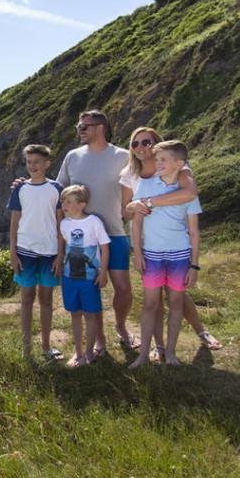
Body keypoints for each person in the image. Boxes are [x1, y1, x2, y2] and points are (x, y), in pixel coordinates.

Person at [120, 127, 222, 358]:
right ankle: (158, 346)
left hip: (175, 246)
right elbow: (125, 211)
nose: (140, 148)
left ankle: (200, 331)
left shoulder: (177, 168)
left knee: (176, 296)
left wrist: (149, 202)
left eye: (146, 142)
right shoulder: (130, 173)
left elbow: (190, 193)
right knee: (152, 301)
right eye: (135, 144)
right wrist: (132, 207)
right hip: (148, 244)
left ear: (156, 144)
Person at [52, 110, 135, 355]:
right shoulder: (72, 156)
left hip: (115, 233)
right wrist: (25, 185)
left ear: (101, 127)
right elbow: (58, 190)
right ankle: (99, 340)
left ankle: (121, 328)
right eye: (79, 126)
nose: (79, 130)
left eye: (84, 126)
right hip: (81, 242)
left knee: (123, 288)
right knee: (92, 290)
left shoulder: (123, 156)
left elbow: (140, 184)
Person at [129, 140, 202, 368]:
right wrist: (137, 253)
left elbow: (194, 231)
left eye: (163, 160)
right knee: (150, 304)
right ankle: (143, 355)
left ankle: (170, 353)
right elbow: (136, 224)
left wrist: (194, 265)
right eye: (157, 159)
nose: (157, 163)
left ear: (179, 164)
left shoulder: (188, 193)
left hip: (180, 256)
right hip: (151, 255)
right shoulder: (146, 186)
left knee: (176, 303)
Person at [7, 144, 64, 362]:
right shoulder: (20, 189)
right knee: (26, 299)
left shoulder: (57, 188)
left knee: (46, 300)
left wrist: (60, 254)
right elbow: (14, 221)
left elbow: (61, 223)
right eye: (29, 162)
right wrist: (12, 251)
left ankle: (46, 346)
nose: (32, 166)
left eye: (37, 162)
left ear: (47, 163)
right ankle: (26, 347)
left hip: (50, 252)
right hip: (25, 251)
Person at [57, 185, 109, 367]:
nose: (65, 204)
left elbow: (104, 247)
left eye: (69, 201)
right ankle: (78, 353)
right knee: (75, 314)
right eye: (63, 201)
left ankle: (89, 353)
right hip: (69, 277)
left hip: (89, 278)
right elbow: (66, 248)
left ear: (82, 204)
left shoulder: (93, 221)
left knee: (90, 315)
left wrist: (103, 272)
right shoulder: (64, 224)